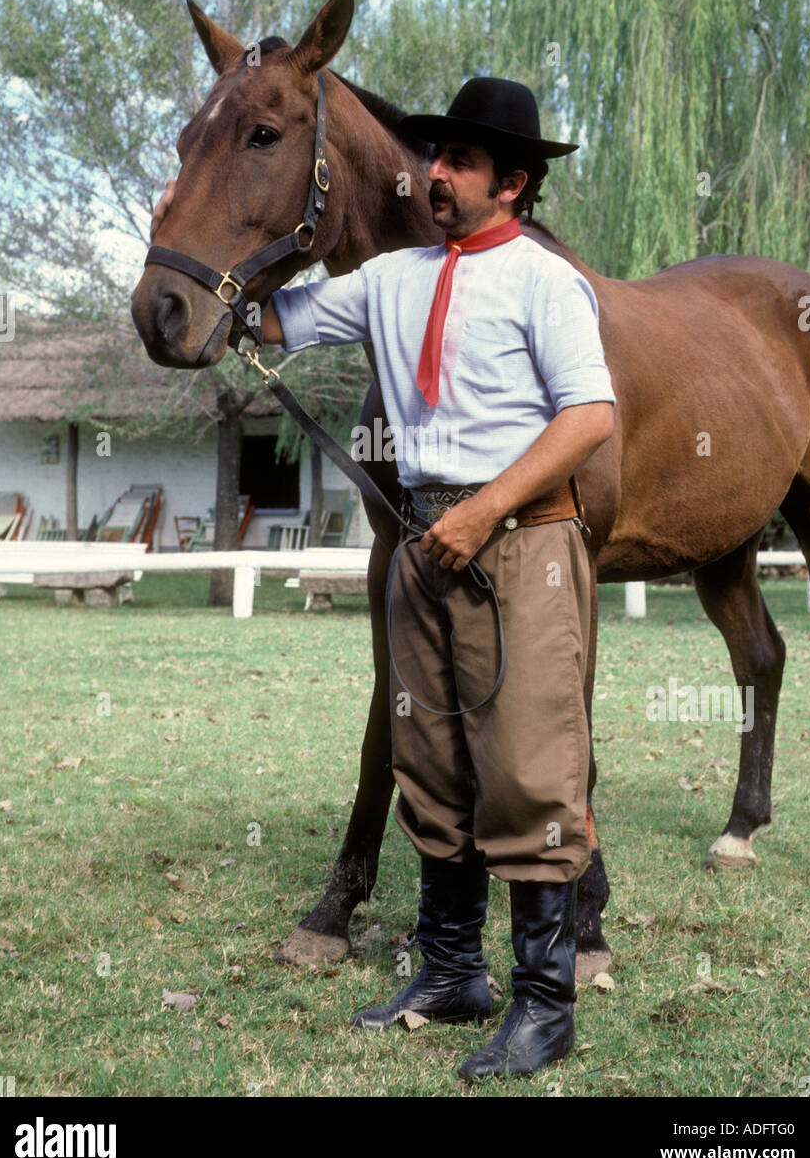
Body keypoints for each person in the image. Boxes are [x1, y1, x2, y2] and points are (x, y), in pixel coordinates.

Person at [257, 76, 617, 1082]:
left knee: (530, 763)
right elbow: (282, 320)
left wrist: (485, 507)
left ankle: (546, 1007)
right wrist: (213, 274)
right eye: (432, 156)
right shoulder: (393, 278)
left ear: (511, 182)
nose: (434, 174)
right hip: (423, 543)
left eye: (457, 161)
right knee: (434, 756)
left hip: (520, 544)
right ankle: (452, 972)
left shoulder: (548, 283)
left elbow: (589, 416)